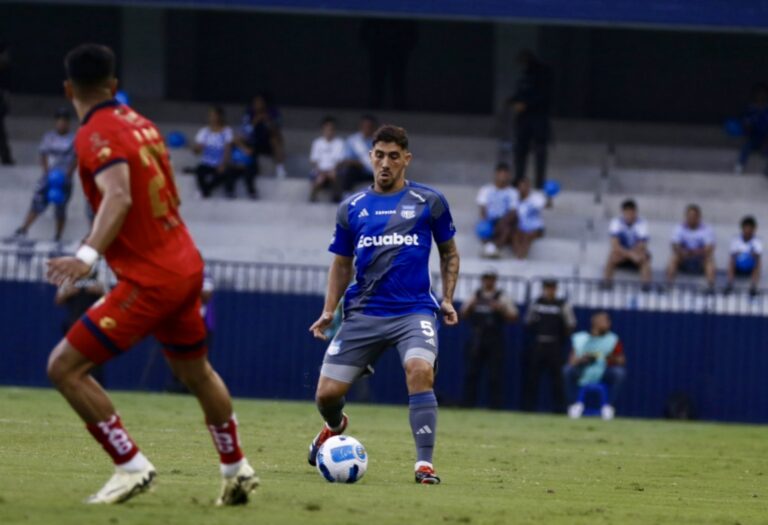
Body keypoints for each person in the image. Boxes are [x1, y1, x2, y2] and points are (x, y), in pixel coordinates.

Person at [45, 44, 257, 506]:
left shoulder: (94, 133)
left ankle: (130, 466)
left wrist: (84, 255)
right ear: (114, 85)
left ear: (68, 89)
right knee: (194, 371)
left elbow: (118, 198)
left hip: (151, 278)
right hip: (184, 262)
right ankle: (236, 467)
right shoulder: (141, 124)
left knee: (64, 367)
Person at [307, 124, 460, 485]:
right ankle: (335, 426)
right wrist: (330, 311)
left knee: (420, 371)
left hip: (414, 311)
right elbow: (342, 264)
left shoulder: (429, 202)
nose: (386, 163)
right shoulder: (352, 208)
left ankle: (424, 464)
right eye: (379, 155)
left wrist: (448, 298)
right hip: (363, 314)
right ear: (371, 157)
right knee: (327, 396)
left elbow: (449, 252)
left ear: (406, 159)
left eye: (394, 156)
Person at [4, 108, 77, 245]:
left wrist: (69, 173)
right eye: (59, 120)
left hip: (64, 179)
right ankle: (23, 229)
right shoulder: (49, 137)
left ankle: (58, 236)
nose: (61, 123)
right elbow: (43, 154)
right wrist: (46, 172)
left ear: (67, 123)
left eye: (64, 121)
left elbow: (76, 158)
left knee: (60, 207)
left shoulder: (73, 139)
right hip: (48, 177)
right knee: (37, 202)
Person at [460, 268, 518, 409]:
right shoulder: (476, 295)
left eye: (491, 278)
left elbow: (514, 316)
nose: (488, 281)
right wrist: (471, 306)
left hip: (494, 338)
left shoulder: (501, 296)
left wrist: (500, 309)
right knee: (472, 372)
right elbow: (462, 313)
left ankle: (495, 406)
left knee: (495, 374)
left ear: (495, 280)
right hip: (477, 337)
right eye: (486, 278)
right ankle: (468, 404)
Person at [522, 278, 576, 413]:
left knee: (557, 379)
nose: (549, 290)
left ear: (556, 289)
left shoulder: (562, 304)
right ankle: (528, 407)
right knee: (532, 377)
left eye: (552, 287)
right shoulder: (537, 302)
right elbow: (528, 321)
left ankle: (559, 409)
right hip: (539, 343)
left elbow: (570, 324)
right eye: (547, 287)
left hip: (555, 345)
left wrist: (561, 338)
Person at [563, 312, 626, 421]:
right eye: (605, 321)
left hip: (602, 371)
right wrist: (583, 359)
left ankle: (608, 407)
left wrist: (610, 357)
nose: (608, 324)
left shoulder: (612, 339)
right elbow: (571, 361)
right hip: (582, 371)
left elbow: (622, 361)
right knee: (567, 370)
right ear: (595, 323)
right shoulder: (580, 338)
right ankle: (574, 405)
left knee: (619, 373)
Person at [509, 50, 553, 189]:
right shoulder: (524, 75)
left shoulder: (542, 74)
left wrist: (526, 104)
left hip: (538, 118)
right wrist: (512, 101)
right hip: (523, 119)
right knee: (520, 150)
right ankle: (519, 179)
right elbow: (519, 93)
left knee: (540, 150)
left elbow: (544, 95)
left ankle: (540, 182)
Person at [603, 199, 652, 289]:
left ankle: (646, 286)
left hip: (636, 253)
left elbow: (642, 245)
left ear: (635, 212)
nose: (630, 215)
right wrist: (630, 255)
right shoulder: (616, 222)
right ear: (623, 212)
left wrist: (633, 254)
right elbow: (615, 245)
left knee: (645, 259)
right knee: (611, 258)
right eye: (627, 212)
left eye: (632, 212)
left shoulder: (642, 223)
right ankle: (607, 284)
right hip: (622, 253)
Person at [666, 204, 716, 291]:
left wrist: (694, 253)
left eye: (694, 216)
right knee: (673, 259)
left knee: (710, 261)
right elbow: (674, 246)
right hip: (684, 259)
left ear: (699, 217)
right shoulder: (679, 228)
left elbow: (709, 248)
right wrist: (683, 252)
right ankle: (669, 286)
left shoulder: (706, 229)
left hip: (700, 260)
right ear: (686, 216)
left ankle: (710, 288)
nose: (692, 218)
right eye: (689, 216)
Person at [476, 163, 519, 259]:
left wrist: (502, 222)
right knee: (483, 227)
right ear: (496, 174)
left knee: (507, 227)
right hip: (490, 219)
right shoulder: (486, 189)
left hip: (505, 220)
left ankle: (493, 247)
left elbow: (513, 210)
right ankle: (490, 247)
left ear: (509, 176)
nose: (503, 177)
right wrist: (486, 221)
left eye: (505, 174)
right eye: (501, 174)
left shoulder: (513, 192)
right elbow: (482, 208)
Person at [239, 93, 287, 179]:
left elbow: (277, 130)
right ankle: (243, 168)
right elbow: (245, 132)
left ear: (265, 103)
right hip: (253, 142)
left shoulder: (272, 112)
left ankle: (280, 169)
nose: (258, 104)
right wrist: (254, 122)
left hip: (267, 143)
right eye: (256, 102)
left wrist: (267, 121)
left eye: (260, 102)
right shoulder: (248, 114)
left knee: (275, 139)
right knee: (237, 139)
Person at [191, 106, 233, 198]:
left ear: (220, 117)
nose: (213, 118)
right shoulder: (204, 132)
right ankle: (205, 191)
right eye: (211, 115)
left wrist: (223, 164)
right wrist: (196, 149)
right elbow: (197, 150)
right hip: (206, 163)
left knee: (225, 174)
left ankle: (206, 190)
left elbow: (227, 149)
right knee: (199, 171)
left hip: (219, 164)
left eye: (215, 115)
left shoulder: (227, 131)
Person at [338, 114, 377, 195]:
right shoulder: (353, 140)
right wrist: (358, 163)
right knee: (349, 170)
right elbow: (346, 159)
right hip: (359, 171)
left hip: (375, 172)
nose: (366, 129)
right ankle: (346, 196)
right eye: (364, 126)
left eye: (369, 126)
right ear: (360, 127)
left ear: (373, 128)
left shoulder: (379, 141)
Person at [308, 116, 345, 202]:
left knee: (335, 175)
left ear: (334, 130)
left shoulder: (340, 143)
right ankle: (312, 197)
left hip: (334, 170)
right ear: (323, 130)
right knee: (318, 178)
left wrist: (330, 172)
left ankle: (336, 199)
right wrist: (321, 172)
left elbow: (340, 161)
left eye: (331, 129)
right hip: (320, 171)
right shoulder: (317, 142)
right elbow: (314, 160)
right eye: (327, 129)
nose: (329, 131)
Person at [734, 83, 768, 175]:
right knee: (746, 148)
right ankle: (739, 167)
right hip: (753, 138)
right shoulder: (751, 109)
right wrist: (748, 124)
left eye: (763, 94)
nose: (761, 96)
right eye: (759, 94)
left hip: (765, 138)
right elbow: (745, 123)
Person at [725, 216, 762, 296]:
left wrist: (747, 255)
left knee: (758, 263)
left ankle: (753, 286)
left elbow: (757, 255)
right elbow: (733, 254)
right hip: (738, 265)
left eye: (750, 229)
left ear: (753, 230)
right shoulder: (735, 240)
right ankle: (729, 284)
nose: (747, 231)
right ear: (742, 229)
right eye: (746, 229)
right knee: (731, 261)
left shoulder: (757, 241)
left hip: (749, 267)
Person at [512, 177, 546, 259]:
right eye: (521, 186)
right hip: (521, 228)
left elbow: (546, 204)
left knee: (528, 235)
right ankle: (519, 256)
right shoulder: (514, 201)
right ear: (518, 188)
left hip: (536, 228)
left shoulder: (536, 198)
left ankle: (522, 256)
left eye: (526, 186)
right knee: (515, 235)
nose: (524, 189)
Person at [0, 40, 13, 165]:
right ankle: (6, 158)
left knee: (1, 133)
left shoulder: (5, 70)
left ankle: (6, 158)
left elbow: (6, 92)